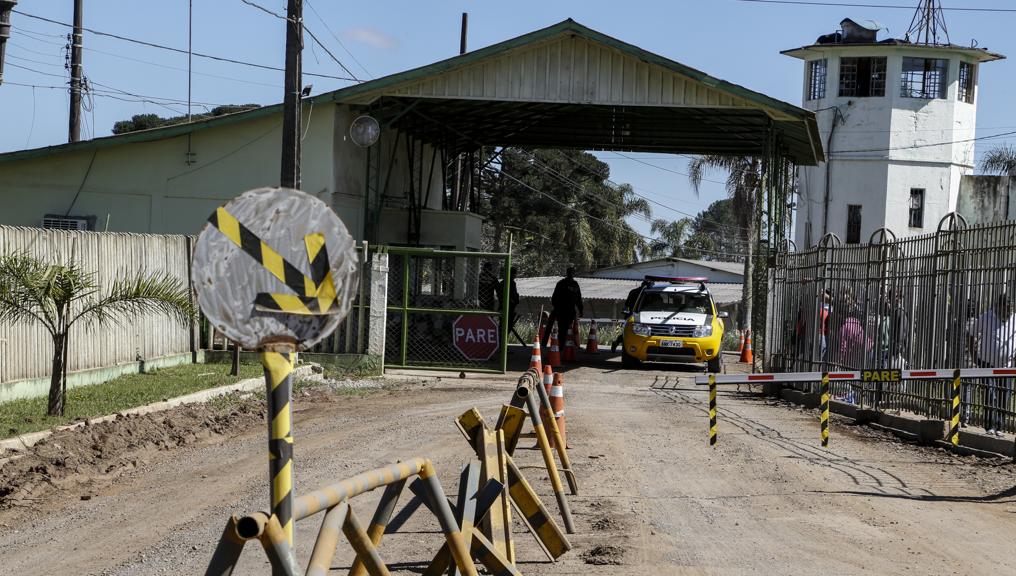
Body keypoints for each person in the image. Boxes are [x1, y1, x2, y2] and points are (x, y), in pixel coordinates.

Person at [967, 293, 1016, 437]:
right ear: (998, 306)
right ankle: (989, 426)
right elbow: (971, 334)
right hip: (986, 363)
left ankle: (999, 426)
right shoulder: (986, 317)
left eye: (1010, 309)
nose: (1008, 311)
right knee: (989, 393)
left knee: (1004, 396)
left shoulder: (1014, 319)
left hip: (1006, 366)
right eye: (1006, 308)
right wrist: (973, 354)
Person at [542, 266, 583, 350]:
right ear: (567, 273)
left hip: (569, 310)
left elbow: (578, 298)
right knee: (558, 327)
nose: (571, 274)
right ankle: (547, 344)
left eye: (572, 272)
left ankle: (562, 345)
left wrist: (580, 309)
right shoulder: (561, 283)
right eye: (570, 272)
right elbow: (554, 297)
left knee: (565, 328)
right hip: (560, 309)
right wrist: (557, 307)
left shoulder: (575, 284)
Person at [612, 279, 652, 353]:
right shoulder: (649, 293)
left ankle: (617, 343)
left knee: (629, 332)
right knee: (630, 333)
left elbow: (626, 304)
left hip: (633, 314)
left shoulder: (634, 291)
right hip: (636, 315)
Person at [498, 266, 525, 345]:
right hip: (509, 308)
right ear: (513, 274)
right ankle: (502, 344)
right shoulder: (511, 283)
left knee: (502, 326)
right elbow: (512, 295)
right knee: (507, 327)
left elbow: (500, 295)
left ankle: (500, 344)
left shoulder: (503, 282)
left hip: (502, 307)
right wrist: (514, 300)